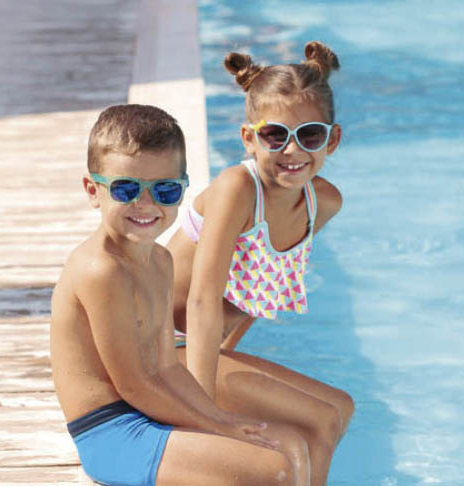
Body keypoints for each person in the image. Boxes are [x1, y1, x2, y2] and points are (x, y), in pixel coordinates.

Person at [51, 104, 311, 486]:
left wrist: (221, 419)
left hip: (148, 415)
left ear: (182, 190)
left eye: (165, 190)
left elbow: (168, 367)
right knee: (273, 470)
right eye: (126, 189)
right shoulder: (100, 270)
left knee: (290, 443)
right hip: (111, 432)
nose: (146, 204)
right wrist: (217, 425)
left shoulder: (159, 261)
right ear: (94, 190)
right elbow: (134, 384)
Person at [166, 41, 353, 486]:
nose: (292, 151)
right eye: (275, 135)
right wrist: (201, 405)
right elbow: (202, 300)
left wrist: (230, 363)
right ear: (249, 138)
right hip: (156, 345)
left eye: (309, 135)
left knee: (340, 408)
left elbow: (255, 293)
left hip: (199, 345)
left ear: (333, 139)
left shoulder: (321, 203)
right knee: (316, 423)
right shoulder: (237, 189)